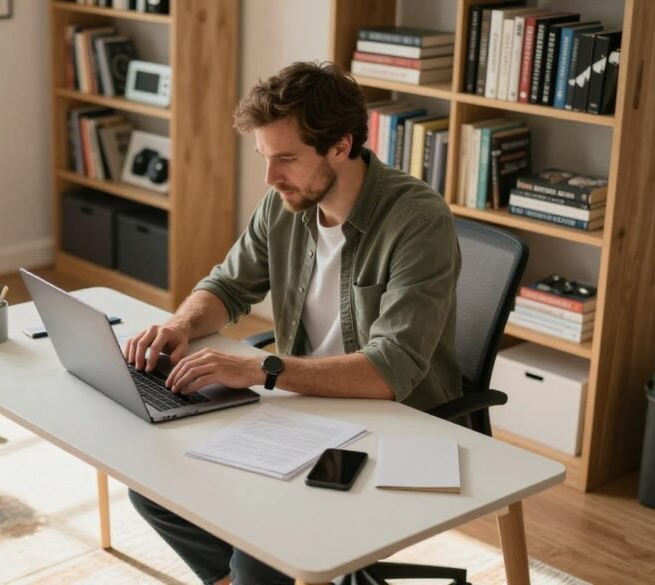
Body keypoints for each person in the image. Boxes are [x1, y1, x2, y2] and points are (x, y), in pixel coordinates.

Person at [123, 61, 462, 585]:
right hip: (300, 410)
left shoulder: (417, 222)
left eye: (285, 159)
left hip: (391, 424)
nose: (270, 177)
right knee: (155, 486)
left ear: (340, 147)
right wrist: (182, 325)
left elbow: (389, 372)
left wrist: (261, 371)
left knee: (265, 550)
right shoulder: (286, 204)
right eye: (265, 156)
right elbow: (228, 286)